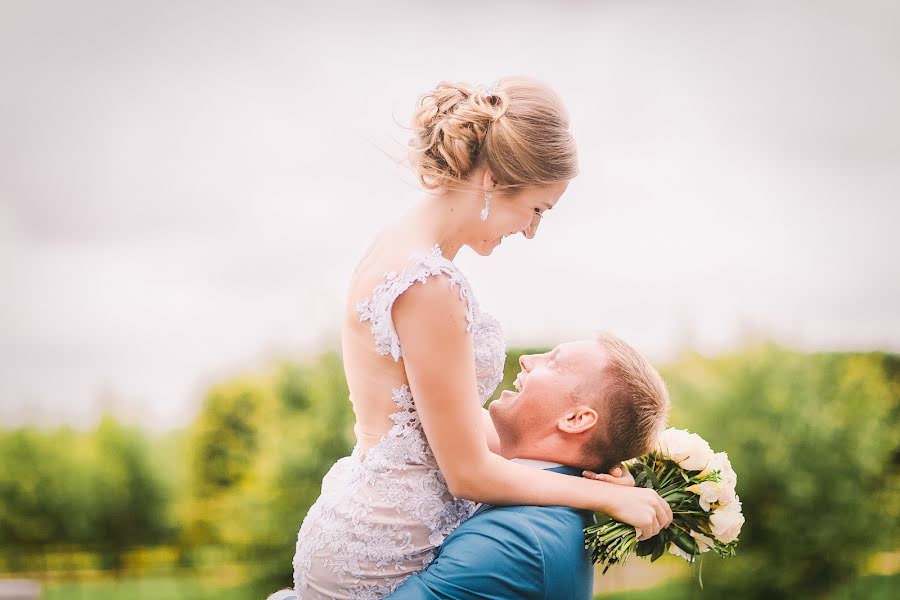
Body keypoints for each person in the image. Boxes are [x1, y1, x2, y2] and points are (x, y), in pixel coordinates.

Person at [284, 77, 672, 600]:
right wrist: (601, 499)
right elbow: (466, 472)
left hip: (372, 515)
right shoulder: (428, 283)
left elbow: (445, 429)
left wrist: (595, 477)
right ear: (492, 181)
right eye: (538, 209)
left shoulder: (402, 247)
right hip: (384, 543)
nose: (532, 230)